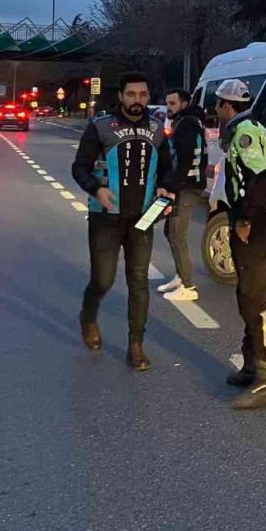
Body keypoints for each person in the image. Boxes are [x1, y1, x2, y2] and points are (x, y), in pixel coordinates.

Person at [71, 72, 176, 371]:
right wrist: (96, 188)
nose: (137, 101)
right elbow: (79, 167)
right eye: (131, 95)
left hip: (143, 218)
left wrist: (165, 187)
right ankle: (88, 316)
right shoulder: (101, 126)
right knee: (103, 280)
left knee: (139, 282)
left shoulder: (157, 130)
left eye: (143, 95)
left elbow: (168, 169)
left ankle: (136, 345)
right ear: (121, 96)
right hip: (105, 217)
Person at [215, 78, 266, 410]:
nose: (216, 112)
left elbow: (263, 179)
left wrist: (245, 220)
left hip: (256, 222)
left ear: (227, 106)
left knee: (254, 296)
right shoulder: (252, 128)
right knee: (246, 291)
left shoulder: (245, 132)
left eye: (217, 105)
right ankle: (251, 362)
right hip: (255, 218)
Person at [156, 88, 207, 303]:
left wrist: (172, 187)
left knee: (177, 232)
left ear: (184, 104)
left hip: (187, 186)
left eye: (173, 103)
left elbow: (185, 160)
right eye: (167, 102)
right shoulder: (190, 121)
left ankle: (188, 285)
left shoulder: (187, 124)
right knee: (170, 231)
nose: (168, 107)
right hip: (186, 184)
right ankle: (180, 276)